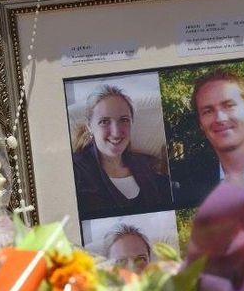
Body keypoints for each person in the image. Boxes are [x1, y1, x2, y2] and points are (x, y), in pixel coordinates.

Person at [173, 70, 244, 206]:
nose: (220, 118)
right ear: (200, 123)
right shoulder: (190, 189)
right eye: (208, 111)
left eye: (229, 106)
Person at [72, 84, 171, 217]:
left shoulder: (149, 165)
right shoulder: (75, 171)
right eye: (104, 121)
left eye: (124, 120)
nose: (116, 132)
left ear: (132, 122)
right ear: (89, 126)